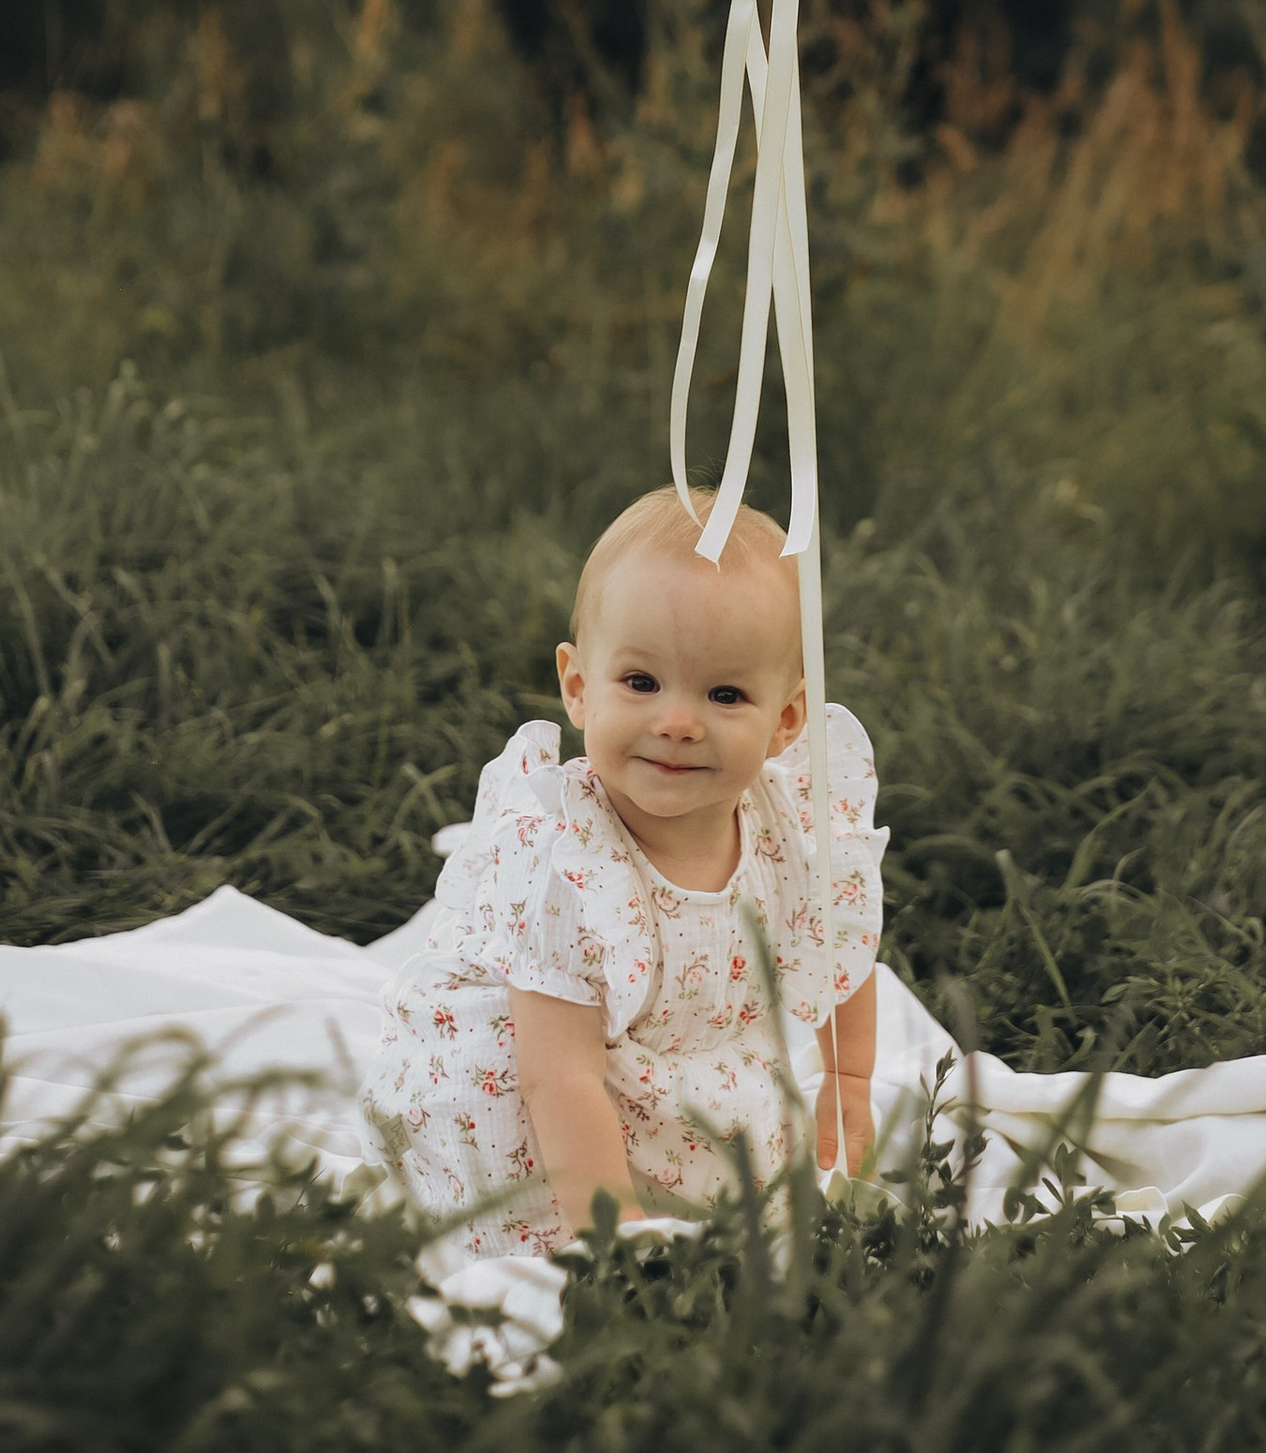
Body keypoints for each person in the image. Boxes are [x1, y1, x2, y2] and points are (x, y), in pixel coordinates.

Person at [363, 488, 886, 1258]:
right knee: (536, 1186)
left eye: (725, 693)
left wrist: (849, 1078)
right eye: (641, 683)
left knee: (745, 1205)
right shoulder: (571, 865)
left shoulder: (792, 828)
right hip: (544, 1103)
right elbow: (559, 1077)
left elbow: (839, 943)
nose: (677, 720)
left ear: (785, 722)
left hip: (678, 1073)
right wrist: (614, 1242)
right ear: (578, 687)